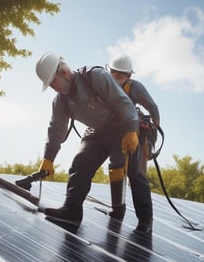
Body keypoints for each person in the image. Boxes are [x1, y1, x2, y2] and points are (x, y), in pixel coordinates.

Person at [16, 51, 152, 233]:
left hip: (122, 126)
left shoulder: (95, 76)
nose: (52, 87)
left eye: (52, 82)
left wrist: (131, 128)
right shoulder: (60, 102)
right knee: (80, 163)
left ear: (63, 72)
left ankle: (145, 221)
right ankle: (71, 211)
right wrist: (48, 158)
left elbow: (123, 102)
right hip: (97, 132)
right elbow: (56, 130)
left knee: (132, 171)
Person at [104, 55, 159, 231]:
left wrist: (151, 134)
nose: (115, 78)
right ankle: (118, 209)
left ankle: (145, 220)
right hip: (117, 131)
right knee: (116, 168)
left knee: (135, 173)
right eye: (112, 74)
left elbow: (152, 107)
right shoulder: (103, 84)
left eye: (119, 76)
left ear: (128, 75)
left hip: (139, 132)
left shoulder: (135, 87)